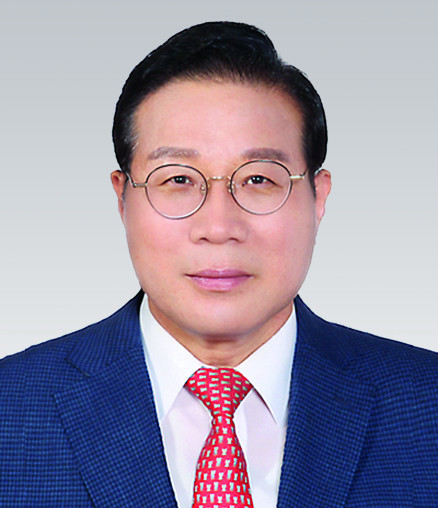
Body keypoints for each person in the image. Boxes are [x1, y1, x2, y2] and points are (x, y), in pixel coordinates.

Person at [1, 21, 437, 508]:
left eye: (258, 180)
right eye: (178, 180)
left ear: (318, 198)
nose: (219, 225)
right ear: (123, 199)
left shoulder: (427, 406)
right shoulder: (11, 410)